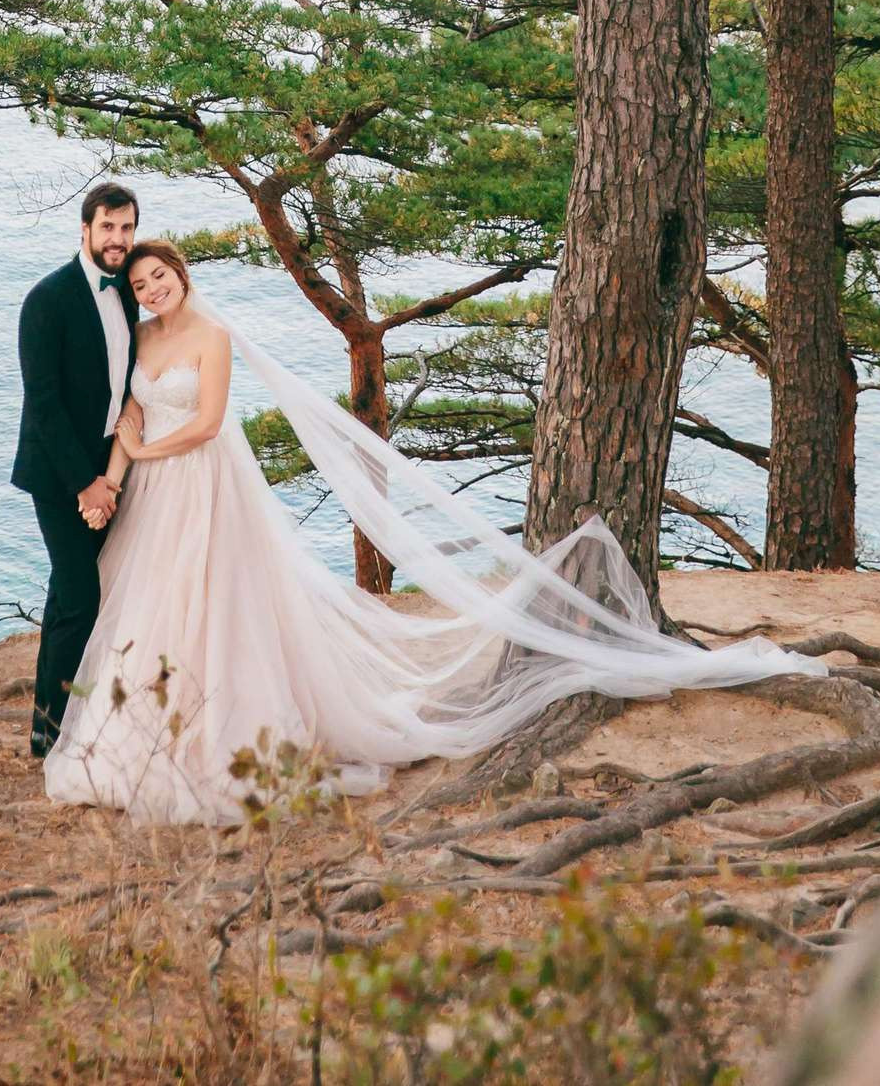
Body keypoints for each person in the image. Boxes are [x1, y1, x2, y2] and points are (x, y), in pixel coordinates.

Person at [40, 238, 825, 825]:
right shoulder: (142, 341)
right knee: (148, 604)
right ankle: (146, 732)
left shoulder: (211, 336)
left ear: (182, 274)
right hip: (155, 494)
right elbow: (130, 415)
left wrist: (145, 449)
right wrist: (117, 469)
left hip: (205, 483)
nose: (152, 289)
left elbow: (208, 423)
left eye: (161, 276)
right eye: (140, 283)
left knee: (216, 602)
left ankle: (221, 735)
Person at [12, 181, 141, 758]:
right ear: (85, 230)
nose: (118, 239)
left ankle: (49, 723)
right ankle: (56, 727)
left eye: (127, 228)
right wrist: (86, 484)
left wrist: (112, 474)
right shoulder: (48, 299)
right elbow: (43, 404)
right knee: (81, 595)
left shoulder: (132, 292)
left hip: (112, 466)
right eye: (108, 227)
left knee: (71, 594)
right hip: (58, 470)